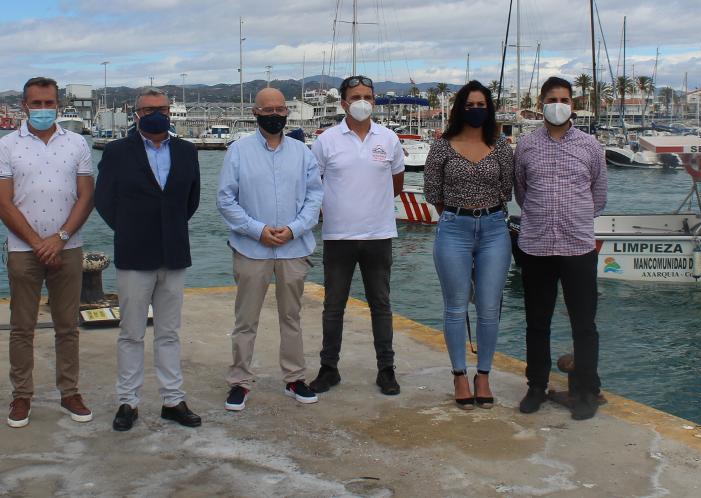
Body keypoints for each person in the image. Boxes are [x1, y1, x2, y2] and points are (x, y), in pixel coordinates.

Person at [93, 88, 202, 431]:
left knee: (169, 332)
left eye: (162, 108)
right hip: (134, 253)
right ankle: (128, 401)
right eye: (148, 108)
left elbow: (191, 200)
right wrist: (129, 229)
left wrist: (169, 227)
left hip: (174, 253)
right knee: (131, 333)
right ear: (136, 113)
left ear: (170, 112)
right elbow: (104, 200)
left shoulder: (186, 152)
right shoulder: (116, 152)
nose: (156, 113)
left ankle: (173, 400)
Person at [0, 77, 95, 429]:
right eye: (35, 104)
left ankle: (70, 392)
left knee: (68, 326)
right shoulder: (6, 146)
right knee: (22, 326)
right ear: (24, 106)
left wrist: (61, 238)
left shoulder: (77, 143)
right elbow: (2, 204)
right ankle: (22, 395)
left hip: (68, 248)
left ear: (58, 105)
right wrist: (38, 241)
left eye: (48, 103)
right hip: (23, 250)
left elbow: (86, 196)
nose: (42, 109)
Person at [217, 87, 324, 411]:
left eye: (281, 109)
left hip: (294, 249)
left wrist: (293, 229)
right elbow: (225, 199)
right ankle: (239, 382)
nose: (275, 114)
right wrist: (257, 230)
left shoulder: (303, 152)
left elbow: (314, 197)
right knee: (245, 319)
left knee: (291, 317)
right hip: (252, 249)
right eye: (269, 110)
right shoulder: (238, 151)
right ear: (255, 112)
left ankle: (294, 378)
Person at [513, 76, 607, 421]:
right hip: (536, 246)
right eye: (552, 99)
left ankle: (586, 388)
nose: (558, 104)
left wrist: (573, 216)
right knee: (537, 323)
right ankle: (536, 386)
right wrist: (543, 214)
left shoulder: (590, 146)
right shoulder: (525, 146)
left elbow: (599, 195)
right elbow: (521, 192)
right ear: (541, 105)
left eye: (564, 99)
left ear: (573, 105)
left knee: (584, 324)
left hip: (577, 246)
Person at [309, 75, 405, 396]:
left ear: (374, 101)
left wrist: (370, 208)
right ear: (343, 103)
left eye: (368, 96)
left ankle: (386, 369)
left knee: (381, 304)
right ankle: (328, 368)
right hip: (338, 236)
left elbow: (396, 185)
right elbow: (314, 184)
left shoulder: (389, 139)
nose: (362, 101)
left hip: (379, 235)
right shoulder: (326, 140)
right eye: (356, 96)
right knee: (333, 306)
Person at [423, 81, 514, 409]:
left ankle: (484, 375)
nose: (476, 109)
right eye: (470, 104)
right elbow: (432, 190)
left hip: (493, 231)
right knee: (455, 306)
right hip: (454, 230)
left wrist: (483, 212)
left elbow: (507, 189)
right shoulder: (443, 145)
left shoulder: (500, 144)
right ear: (460, 108)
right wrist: (457, 216)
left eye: (482, 104)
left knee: (490, 308)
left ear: (488, 109)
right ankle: (460, 375)